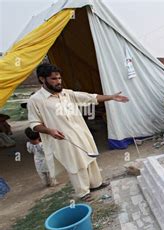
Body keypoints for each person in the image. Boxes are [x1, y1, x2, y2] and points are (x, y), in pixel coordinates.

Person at [27, 63, 129, 201]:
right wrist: (49, 130)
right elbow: (34, 124)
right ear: (42, 79)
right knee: (75, 163)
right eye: (53, 79)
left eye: (59, 78)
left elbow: (90, 97)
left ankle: (96, 184)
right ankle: (82, 192)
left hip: (81, 133)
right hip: (63, 138)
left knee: (90, 158)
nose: (58, 82)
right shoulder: (35, 100)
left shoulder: (66, 94)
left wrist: (110, 97)